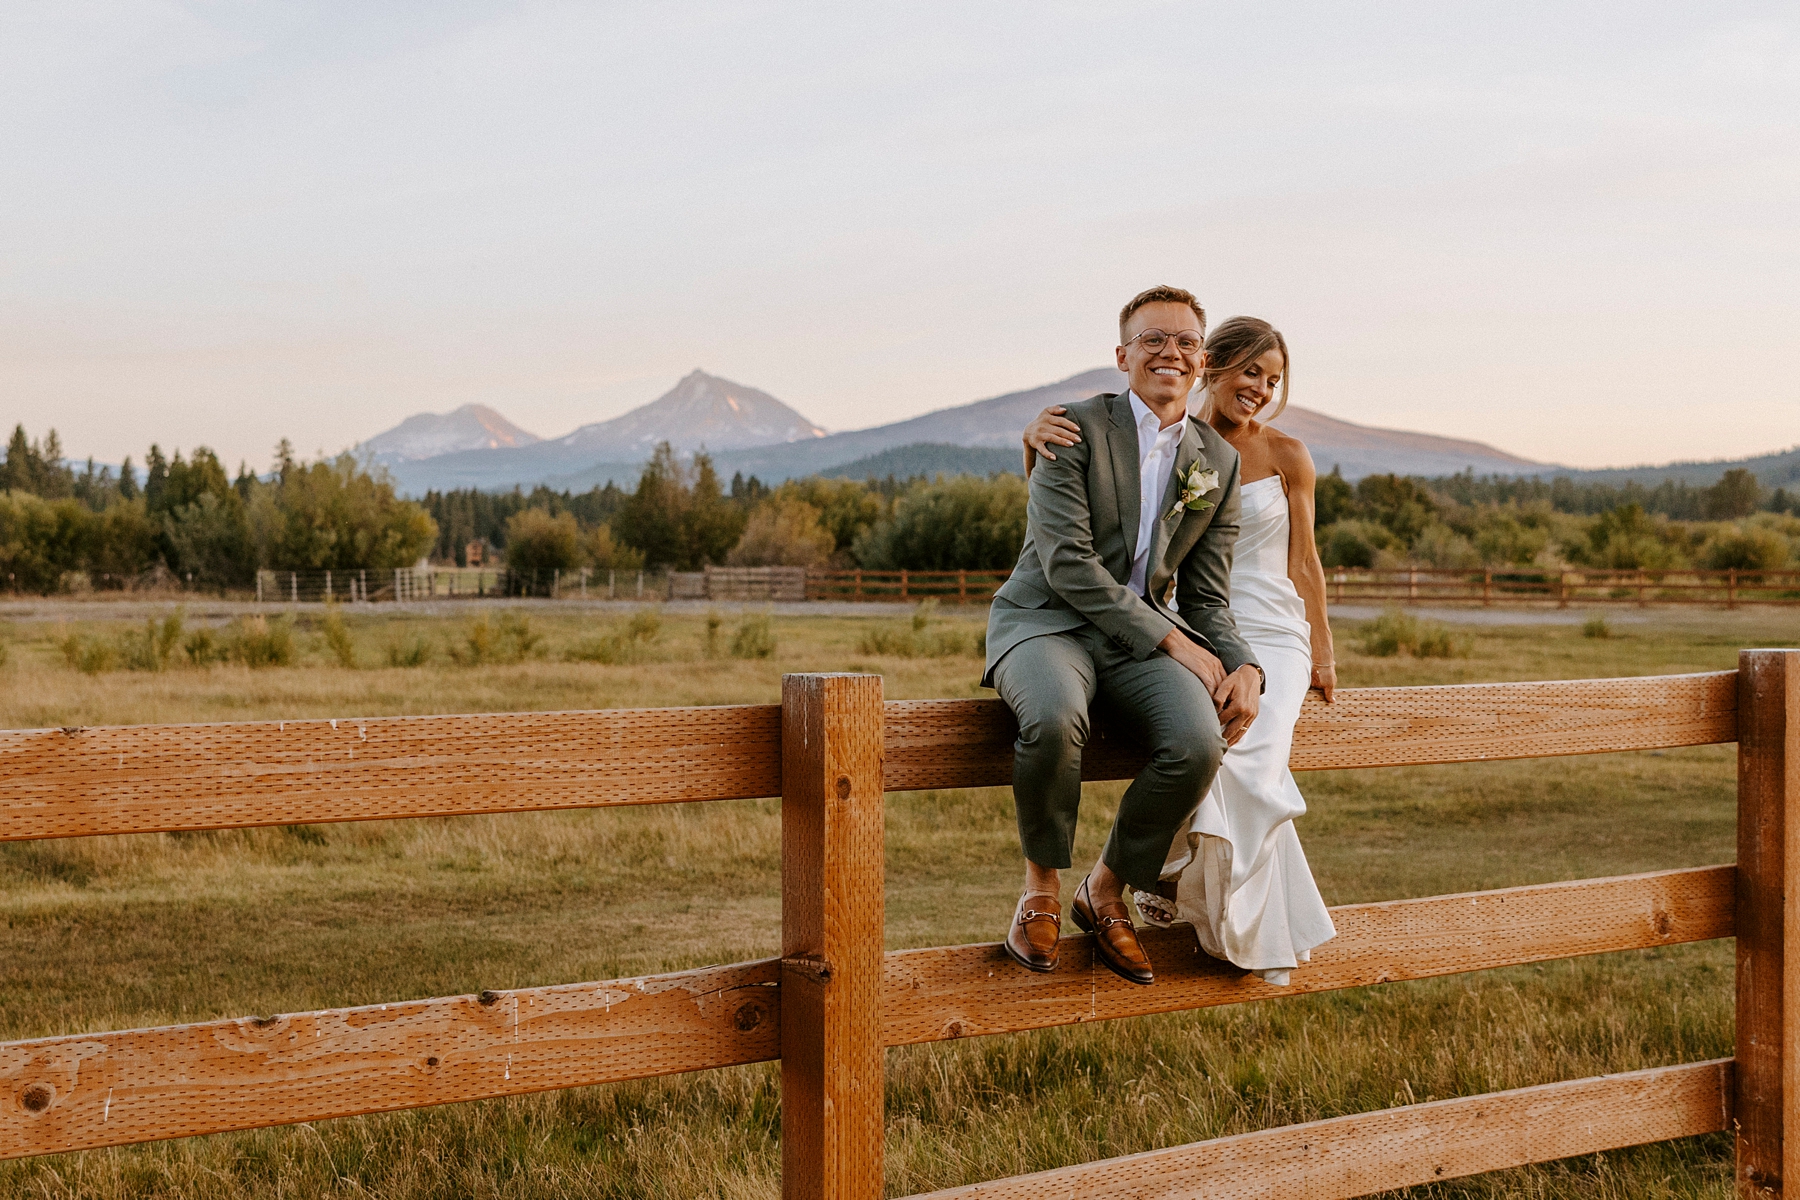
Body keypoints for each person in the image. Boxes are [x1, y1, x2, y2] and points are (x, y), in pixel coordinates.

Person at [1022, 315, 1335, 985]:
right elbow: (1100, 518)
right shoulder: (1162, 440)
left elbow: (1304, 559)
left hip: (1258, 627)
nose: (1260, 388)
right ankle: (1133, 892)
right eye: (1250, 371)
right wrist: (1030, 440)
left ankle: (1193, 903)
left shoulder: (1279, 454)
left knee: (1238, 757)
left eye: (1273, 379)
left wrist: (1322, 652)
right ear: (1212, 367)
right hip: (1178, 619)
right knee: (1195, 742)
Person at [984, 285, 1264, 986]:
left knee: (1200, 740)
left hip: (1133, 639)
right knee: (1051, 718)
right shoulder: (1069, 427)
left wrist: (1245, 665)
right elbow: (1067, 564)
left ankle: (1105, 887)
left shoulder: (1217, 462)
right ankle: (1040, 890)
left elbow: (1206, 594)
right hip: (1047, 620)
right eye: (1153, 339)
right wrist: (1175, 643)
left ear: (1201, 361)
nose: (1170, 351)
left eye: (1185, 342)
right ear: (1123, 356)